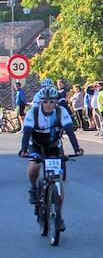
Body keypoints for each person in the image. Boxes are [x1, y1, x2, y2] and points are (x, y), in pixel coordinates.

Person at [19, 86, 83, 219]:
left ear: (56, 102)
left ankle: (58, 215)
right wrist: (24, 149)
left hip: (53, 145)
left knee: (57, 180)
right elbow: (26, 133)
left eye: (52, 101)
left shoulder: (61, 111)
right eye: (46, 101)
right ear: (41, 102)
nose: (49, 105)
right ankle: (33, 188)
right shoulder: (33, 113)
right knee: (34, 167)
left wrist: (77, 148)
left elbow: (70, 131)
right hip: (36, 144)